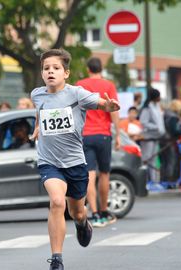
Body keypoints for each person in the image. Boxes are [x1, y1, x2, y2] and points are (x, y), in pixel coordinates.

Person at [30, 49, 120, 270]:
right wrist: (37, 127)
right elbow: (41, 112)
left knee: (77, 211)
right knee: (57, 202)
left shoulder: (77, 94)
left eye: (56, 68)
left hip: (75, 162)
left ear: (66, 73)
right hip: (49, 161)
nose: (50, 72)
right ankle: (57, 259)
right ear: (42, 73)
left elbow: (101, 103)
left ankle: (82, 223)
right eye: (46, 68)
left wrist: (109, 106)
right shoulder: (37, 94)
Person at [76, 57, 120, 228]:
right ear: (101, 68)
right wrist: (117, 134)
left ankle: (94, 213)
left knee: (89, 175)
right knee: (105, 174)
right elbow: (114, 111)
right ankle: (103, 210)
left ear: (88, 69)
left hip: (86, 134)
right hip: (103, 134)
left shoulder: (80, 84)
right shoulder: (108, 85)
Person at [139, 88, 166, 184]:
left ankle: (154, 181)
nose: (160, 98)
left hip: (156, 137)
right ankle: (144, 181)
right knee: (146, 159)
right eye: (158, 96)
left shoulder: (157, 106)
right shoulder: (147, 108)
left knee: (153, 160)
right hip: (148, 137)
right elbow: (143, 122)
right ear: (154, 97)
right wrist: (156, 127)